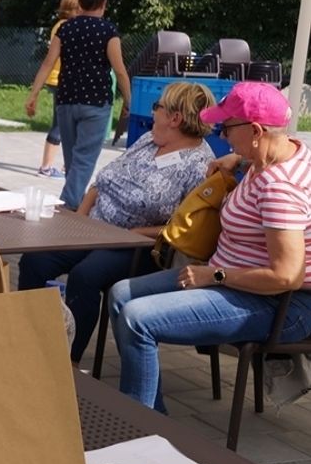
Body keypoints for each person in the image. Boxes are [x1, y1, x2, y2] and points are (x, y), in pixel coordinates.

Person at [110, 82, 311, 413]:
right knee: (121, 293)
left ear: (257, 130)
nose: (220, 135)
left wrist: (215, 275)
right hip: (237, 284)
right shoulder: (281, 152)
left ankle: (142, 427)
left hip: (276, 304)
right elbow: (265, 155)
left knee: (136, 319)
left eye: (226, 128)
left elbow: (286, 276)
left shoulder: (280, 189)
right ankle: (150, 411)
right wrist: (238, 158)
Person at [17, 82, 215, 364]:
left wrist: (135, 233)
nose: (153, 113)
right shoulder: (149, 140)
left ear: (175, 118)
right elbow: (101, 182)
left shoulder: (199, 165)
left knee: (85, 276)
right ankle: (29, 338)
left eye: (157, 107)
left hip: (139, 246)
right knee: (36, 261)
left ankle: (64, 361)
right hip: (96, 228)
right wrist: (78, 219)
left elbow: (186, 227)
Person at [25, 0, 131, 209]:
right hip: (95, 102)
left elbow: (47, 63)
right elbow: (120, 70)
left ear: (80, 2)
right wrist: (128, 101)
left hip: (66, 99)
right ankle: (69, 204)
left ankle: (75, 204)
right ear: (104, 4)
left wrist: (33, 94)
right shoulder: (108, 32)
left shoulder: (66, 29)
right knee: (83, 160)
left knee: (73, 160)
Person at [34, 0, 80, 178]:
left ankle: (64, 165)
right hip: (63, 79)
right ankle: (46, 167)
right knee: (60, 125)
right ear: (74, 8)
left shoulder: (59, 25)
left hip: (56, 78)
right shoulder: (67, 26)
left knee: (68, 123)